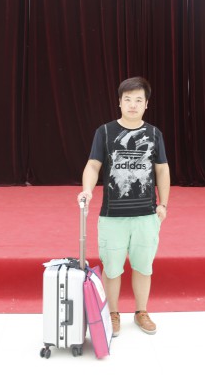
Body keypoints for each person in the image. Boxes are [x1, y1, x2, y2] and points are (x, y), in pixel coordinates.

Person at [77, 76, 170, 337]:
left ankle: (141, 311)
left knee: (143, 267)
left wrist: (163, 204)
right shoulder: (105, 132)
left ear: (146, 104)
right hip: (112, 216)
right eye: (127, 100)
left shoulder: (154, 134)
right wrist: (87, 189)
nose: (132, 105)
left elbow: (162, 170)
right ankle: (113, 313)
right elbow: (93, 165)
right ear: (119, 102)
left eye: (138, 100)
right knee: (112, 268)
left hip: (146, 215)